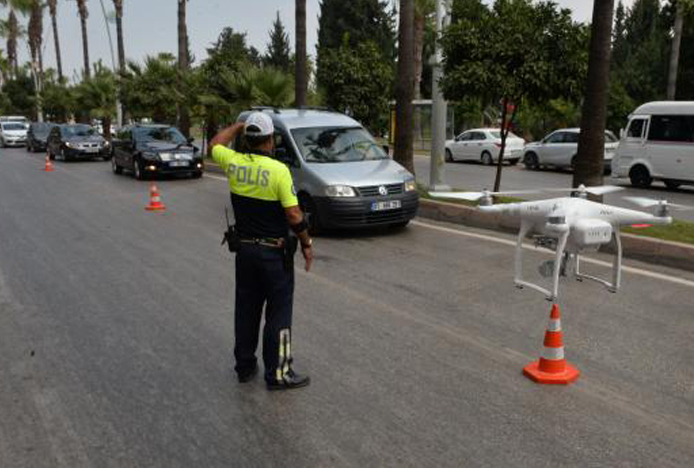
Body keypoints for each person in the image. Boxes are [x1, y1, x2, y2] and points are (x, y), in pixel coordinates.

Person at [209, 112, 314, 391]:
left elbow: (214, 144)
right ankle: (278, 374)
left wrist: (238, 126)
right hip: (273, 253)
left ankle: (244, 367)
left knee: (246, 309)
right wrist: (306, 243)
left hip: (244, 252)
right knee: (278, 313)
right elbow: (293, 215)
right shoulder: (279, 170)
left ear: (247, 138)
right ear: (270, 140)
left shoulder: (233, 162)